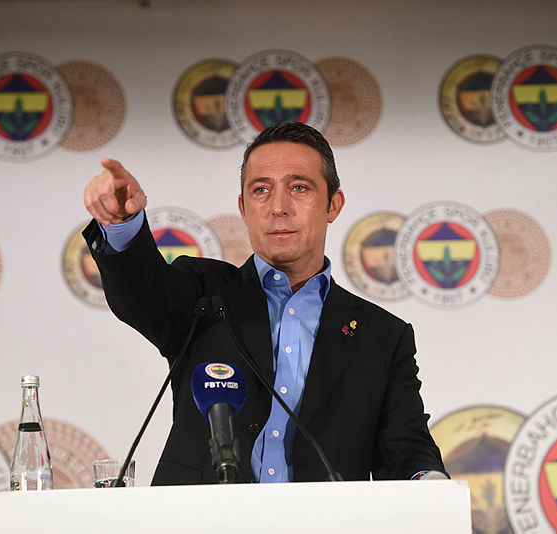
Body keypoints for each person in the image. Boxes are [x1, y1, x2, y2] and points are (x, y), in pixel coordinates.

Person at [83, 122, 447, 484]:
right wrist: (122, 224)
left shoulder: (382, 335)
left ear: (333, 205)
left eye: (299, 187)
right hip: (202, 514)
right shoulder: (202, 294)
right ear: (243, 208)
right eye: (261, 190)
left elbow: (406, 449)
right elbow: (142, 292)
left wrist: (427, 481)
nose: (278, 207)